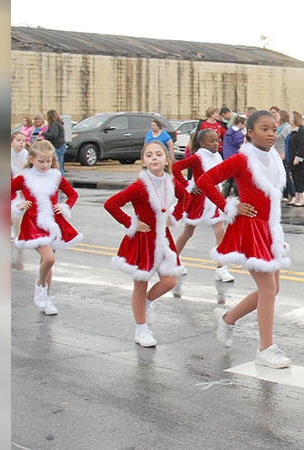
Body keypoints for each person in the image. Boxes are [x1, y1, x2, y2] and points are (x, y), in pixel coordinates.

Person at [201, 110, 293, 368]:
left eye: (274, 129)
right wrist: (229, 206)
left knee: (274, 289)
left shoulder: (274, 157)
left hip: (270, 229)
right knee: (267, 289)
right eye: (264, 129)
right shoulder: (242, 159)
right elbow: (206, 180)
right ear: (250, 133)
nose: (271, 134)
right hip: (250, 228)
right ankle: (265, 349)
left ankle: (227, 319)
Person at [103, 141, 189, 347]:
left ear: (167, 159)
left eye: (158, 154)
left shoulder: (170, 182)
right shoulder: (139, 186)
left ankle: (148, 302)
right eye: (149, 155)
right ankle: (141, 330)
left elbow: (185, 197)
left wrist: (174, 216)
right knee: (140, 284)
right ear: (143, 161)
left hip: (163, 239)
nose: (154, 158)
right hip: (142, 239)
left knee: (169, 281)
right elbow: (111, 204)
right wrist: (131, 222)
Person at [11, 140, 82, 316]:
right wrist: (18, 204)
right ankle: (40, 286)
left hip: (53, 224)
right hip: (33, 224)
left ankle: (46, 299)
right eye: (41, 161)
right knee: (49, 259)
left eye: (48, 161)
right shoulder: (24, 177)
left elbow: (73, 194)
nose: (45, 165)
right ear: (32, 159)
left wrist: (65, 207)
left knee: (47, 263)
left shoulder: (55, 176)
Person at [172, 129, 235, 284]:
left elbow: (220, 174)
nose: (216, 144)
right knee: (188, 231)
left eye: (217, 140)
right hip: (199, 200)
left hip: (213, 199)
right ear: (202, 143)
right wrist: (188, 185)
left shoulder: (217, 156)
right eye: (211, 141)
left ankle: (221, 267)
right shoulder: (197, 158)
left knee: (220, 230)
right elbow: (176, 168)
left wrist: (219, 187)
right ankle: (173, 259)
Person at [287, 111, 304, 206]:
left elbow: (303, 146)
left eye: (291, 117)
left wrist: (298, 158)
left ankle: (302, 199)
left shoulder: (301, 131)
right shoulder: (291, 131)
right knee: (295, 179)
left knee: (300, 179)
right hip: (291, 159)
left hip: (300, 161)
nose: (289, 119)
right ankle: (297, 198)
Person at [10, 132, 31, 240]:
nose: (22, 143)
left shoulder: (26, 154)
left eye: (23, 140)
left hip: (22, 188)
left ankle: (19, 235)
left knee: (20, 211)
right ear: (11, 142)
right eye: (18, 140)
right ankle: (18, 235)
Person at [274, 110, 294, 201]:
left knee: (285, 174)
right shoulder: (278, 128)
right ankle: (285, 195)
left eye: (277, 115)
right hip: (277, 154)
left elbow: (288, 141)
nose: (276, 117)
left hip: (282, 154)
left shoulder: (286, 127)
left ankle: (293, 194)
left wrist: (284, 153)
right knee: (280, 175)